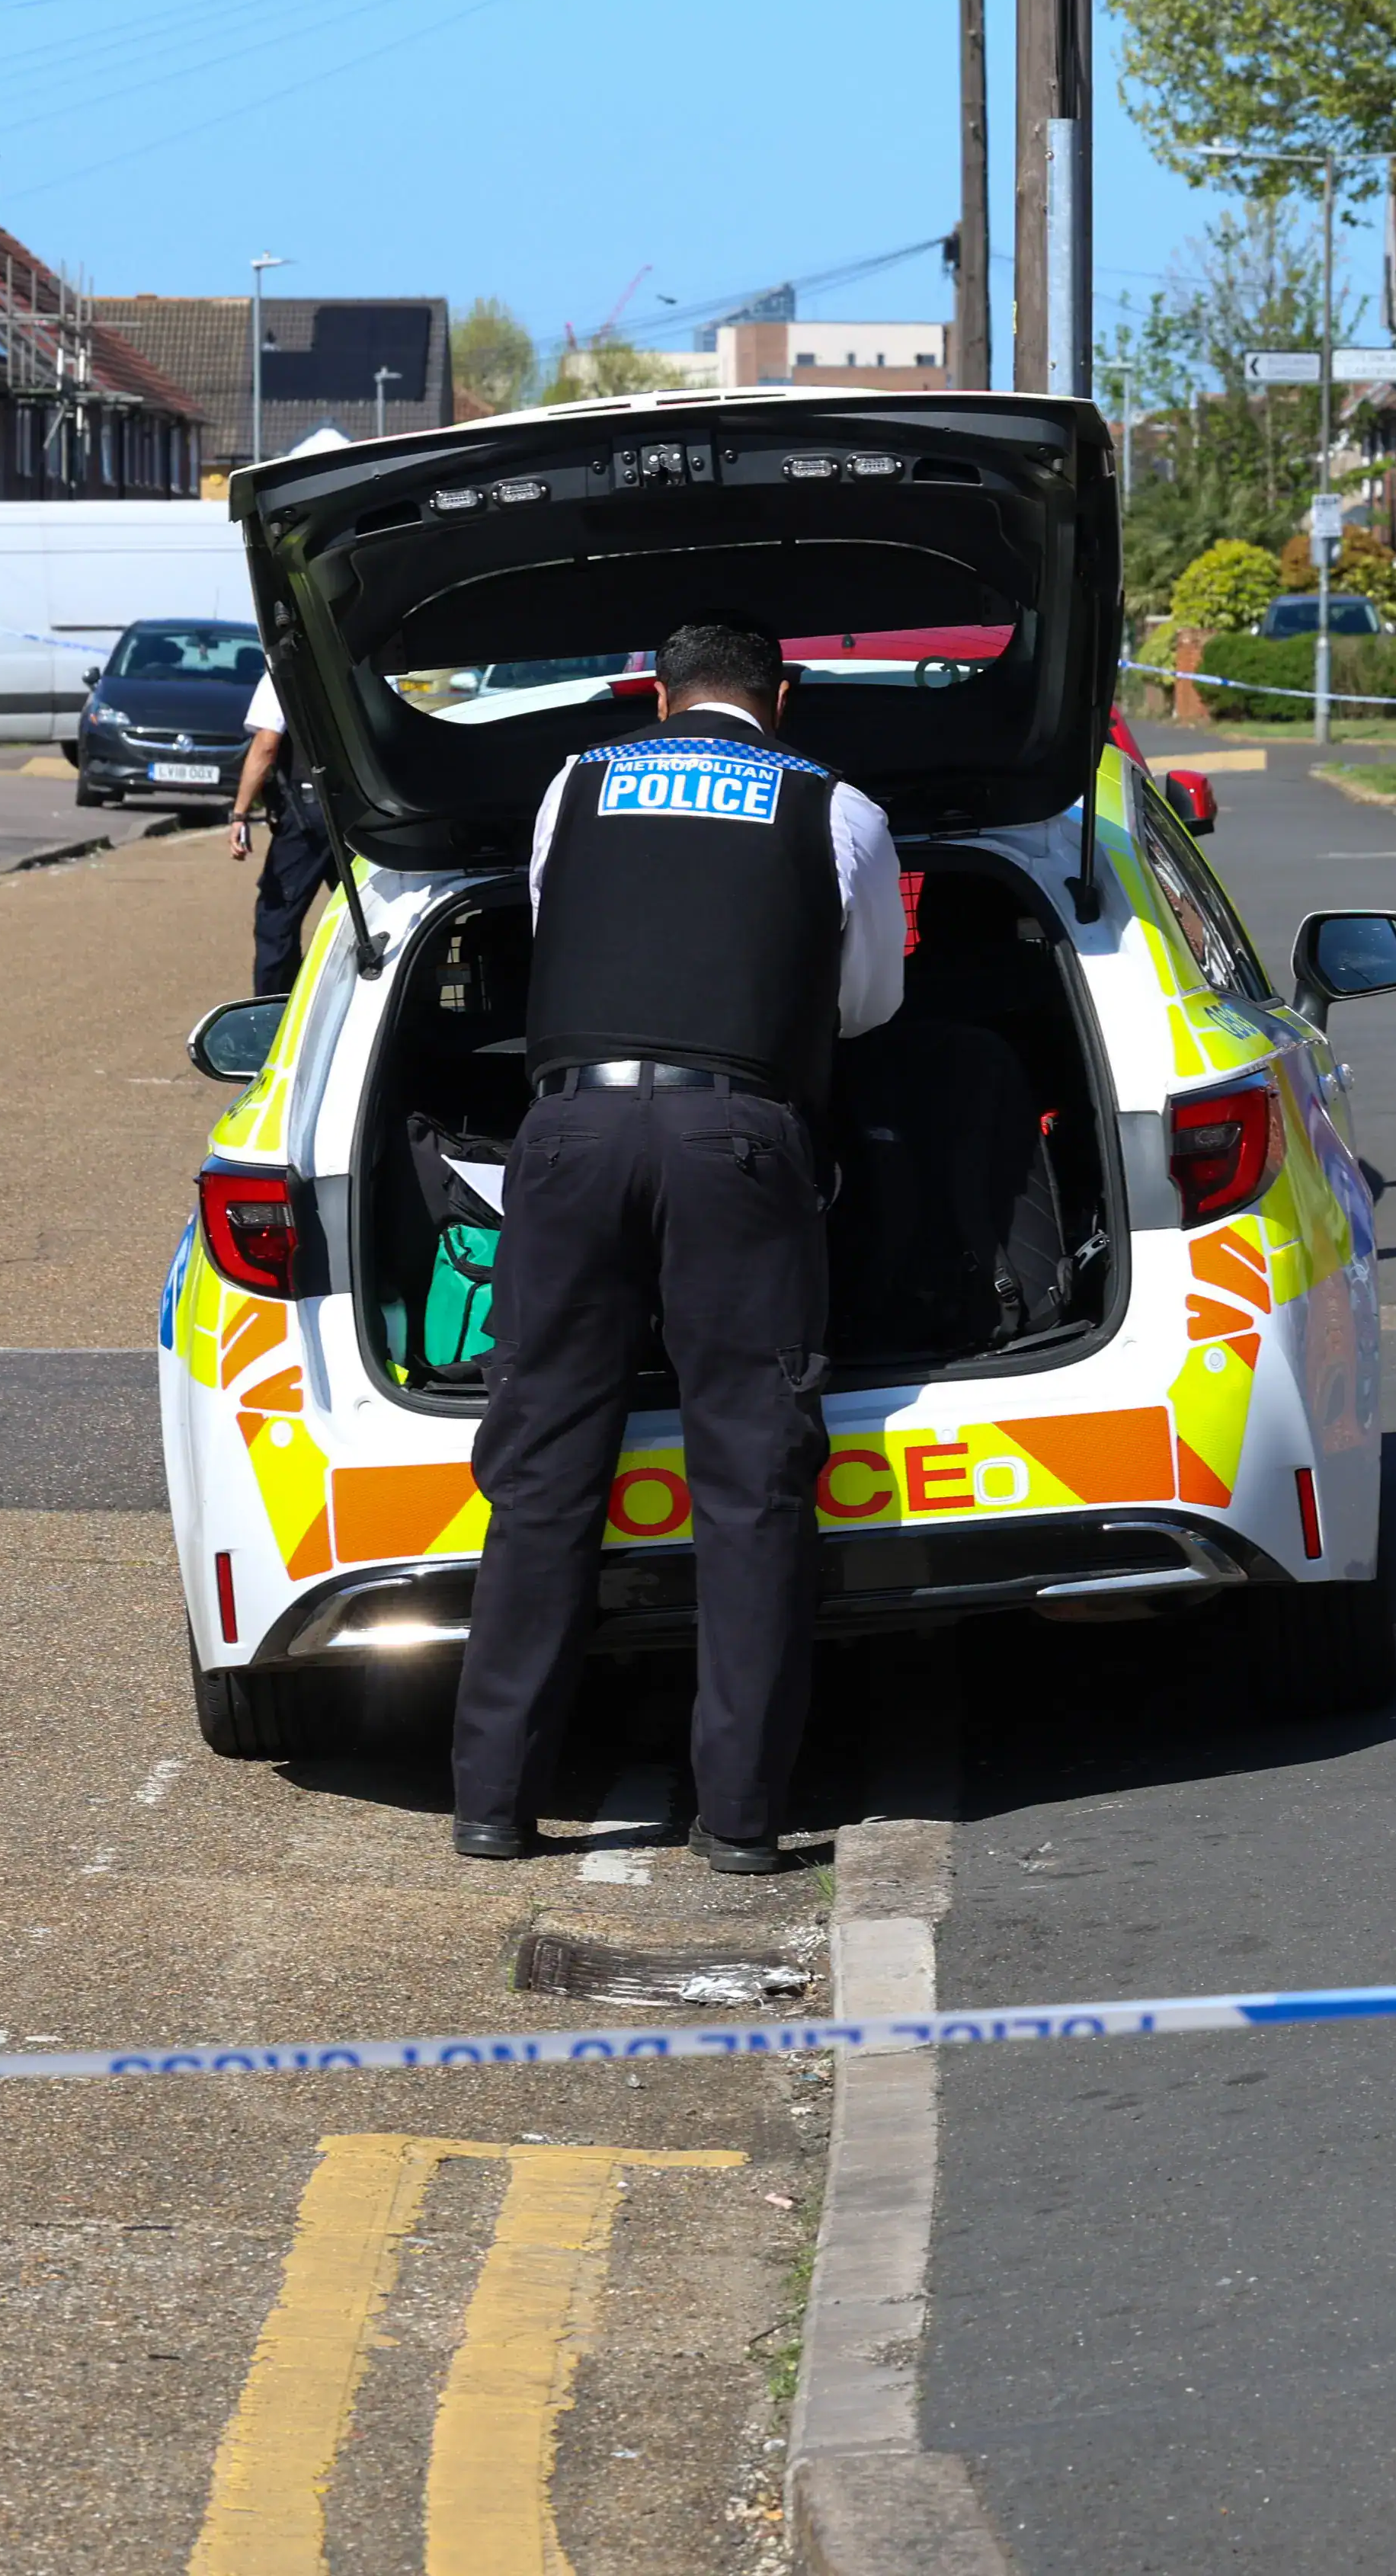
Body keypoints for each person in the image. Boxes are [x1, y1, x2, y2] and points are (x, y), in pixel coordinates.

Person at [451, 616, 905, 1870]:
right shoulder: (837, 807)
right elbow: (872, 1003)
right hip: (737, 1144)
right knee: (751, 1482)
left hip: (569, 1137)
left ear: (658, 697)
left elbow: (559, 930)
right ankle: (744, 1823)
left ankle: (492, 1802)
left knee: (542, 1467)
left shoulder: (573, 785)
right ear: (786, 696)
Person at [226, 663, 336, 994]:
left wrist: (240, 814)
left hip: (309, 819)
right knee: (373, 915)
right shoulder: (360, 657)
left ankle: (274, 1016)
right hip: (363, 814)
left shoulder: (285, 669)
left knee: (276, 920)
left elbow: (266, 745)